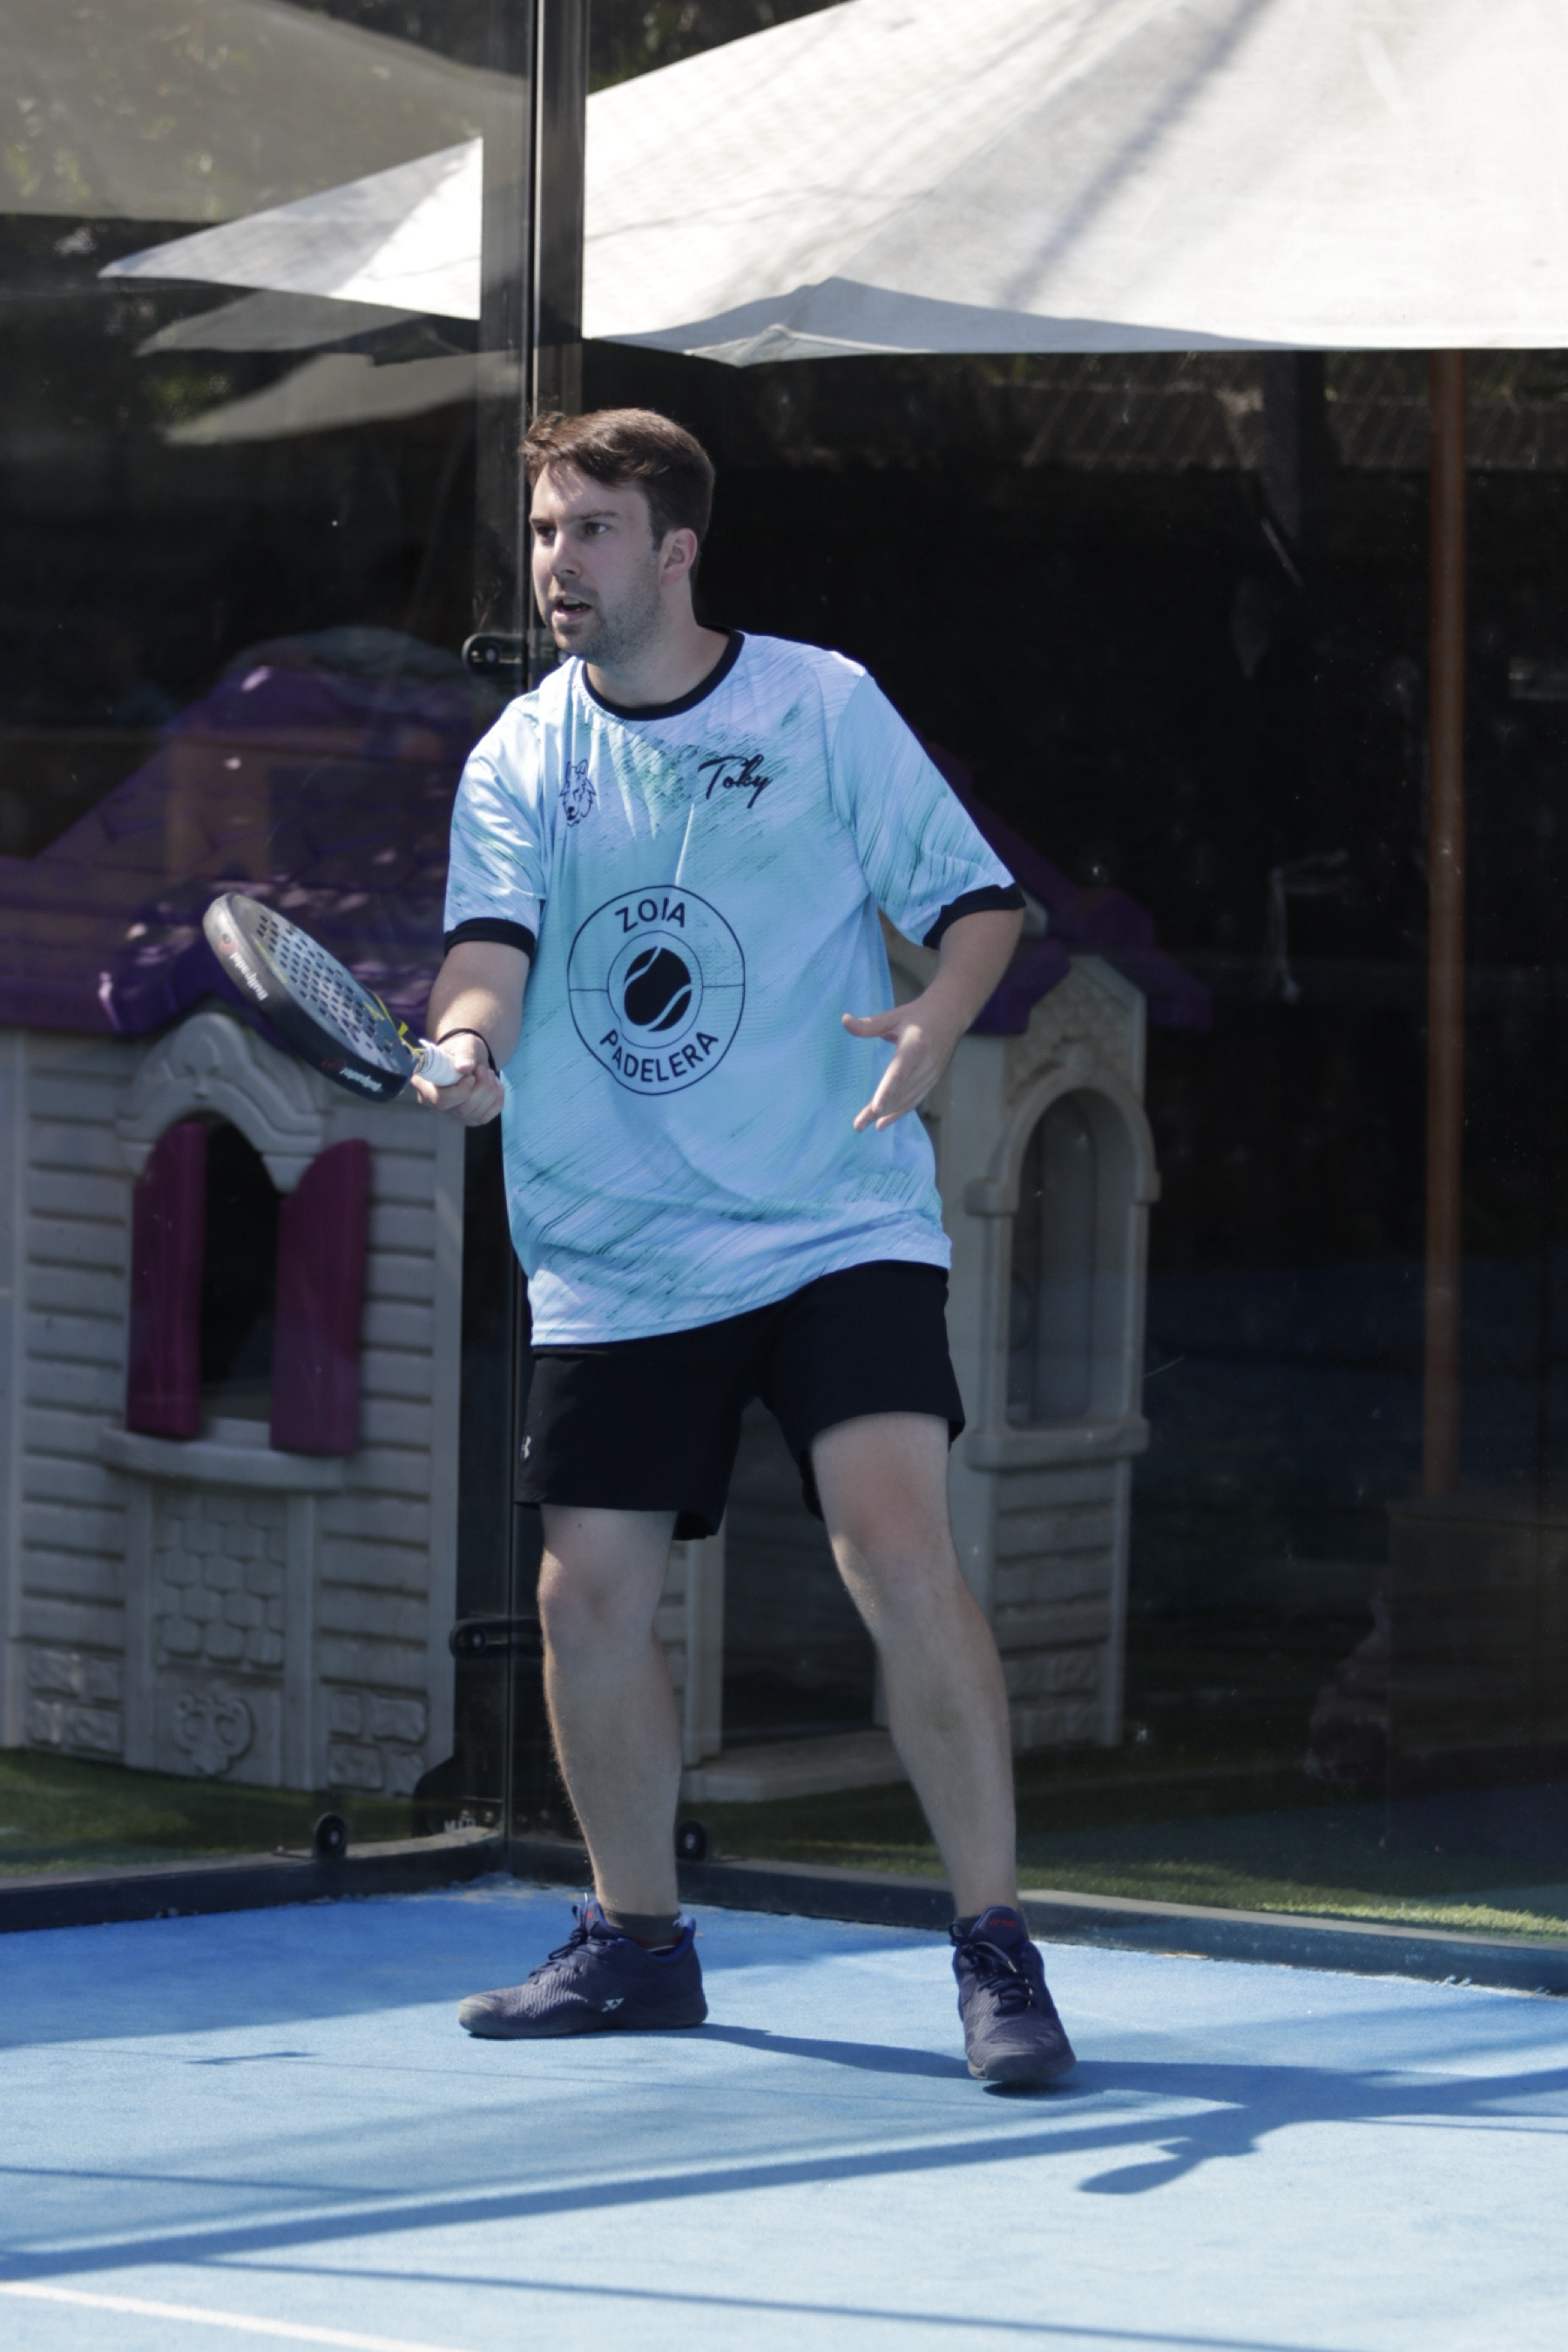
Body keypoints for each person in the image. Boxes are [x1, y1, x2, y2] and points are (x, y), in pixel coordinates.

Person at [417, 406, 1075, 2087]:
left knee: (891, 1542)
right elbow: (487, 954)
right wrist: (468, 1048)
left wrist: (938, 1014)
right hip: (617, 1244)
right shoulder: (518, 758)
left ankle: (997, 1948)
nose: (558, 563)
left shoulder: (821, 707)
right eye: (545, 532)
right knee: (585, 1602)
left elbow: (979, 902)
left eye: (592, 531)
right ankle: (639, 1945)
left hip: (835, 1212)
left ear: (678, 550)